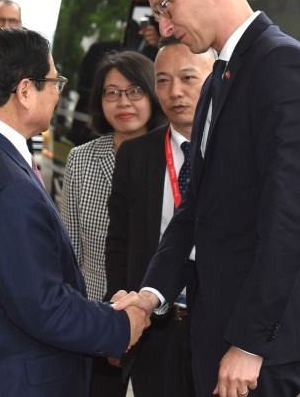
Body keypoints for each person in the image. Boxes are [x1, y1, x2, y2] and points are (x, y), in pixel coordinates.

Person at [113, 0, 300, 397]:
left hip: (259, 337)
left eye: (166, 7)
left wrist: (251, 343)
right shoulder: (221, 75)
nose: (165, 25)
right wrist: (150, 294)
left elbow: (289, 220)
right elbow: (198, 208)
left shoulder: (283, 65)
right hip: (216, 320)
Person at [0, 27, 150, 396]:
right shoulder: (6, 183)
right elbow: (43, 305)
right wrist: (122, 325)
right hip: (3, 380)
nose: (59, 93)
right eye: (55, 81)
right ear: (25, 91)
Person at [106, 37, 214, 397]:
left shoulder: (236, 152)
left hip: (217, 326)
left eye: (188, 78)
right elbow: (119, 243)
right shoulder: (136, 155)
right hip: (155, 327)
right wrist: (120, 320)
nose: (175, 92)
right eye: (163, 81)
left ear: (215, 79)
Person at [60, 50, 165, 396]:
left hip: (161, 315)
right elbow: (69, 248)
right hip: (97, 314)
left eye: (135, 91)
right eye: (112, 92)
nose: (124, 102)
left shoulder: (175, 157)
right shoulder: (82, 158)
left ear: (153, 94)